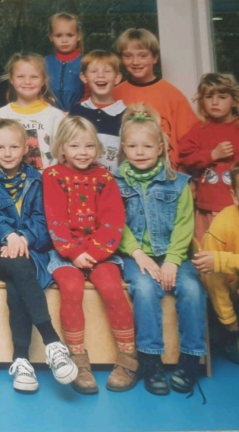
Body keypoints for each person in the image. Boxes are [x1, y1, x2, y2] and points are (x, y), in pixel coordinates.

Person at [0, 119, 77, 393]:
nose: (7, 152)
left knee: (18, 280)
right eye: (0, 147)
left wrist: (24, 237)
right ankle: (52, 342)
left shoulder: (39, 180)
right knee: (16, 264)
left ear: (26, 147)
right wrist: (10, 235)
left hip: (32, 252)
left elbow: (45, 219)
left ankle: (21, 361)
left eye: (14, 146)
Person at [116, 104, 207, 396]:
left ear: (160, 148)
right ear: (123, 148)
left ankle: (191, 359)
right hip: (136, 256)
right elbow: (115, 224)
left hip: (173, 256)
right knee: (143, 289)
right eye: (132, 145)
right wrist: (137, 254)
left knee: (192, 289)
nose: (139, 151)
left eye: (146, 145)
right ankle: (150, 360)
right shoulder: (114, 183)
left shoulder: (178, 183)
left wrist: (172, 261)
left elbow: (184, 226)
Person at [42, 116, 137, 394]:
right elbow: (55, 219)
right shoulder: (52, 176)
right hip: (66, 251)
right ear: (62, 149)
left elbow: (113, 221)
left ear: (97, 148)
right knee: (70, 288)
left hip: (100, 252)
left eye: (88, 146)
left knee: (112, 289)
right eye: (74, 146)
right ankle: (79, 361)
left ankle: (128, 357)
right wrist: (73, 253)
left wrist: (93, 253)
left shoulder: (105, 178)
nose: (82, 152)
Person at [113, 28, 198, 168]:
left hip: (168, 175)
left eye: (142, 56)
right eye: (128, 56)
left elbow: (189, 142)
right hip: (126, 175)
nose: (135, 62)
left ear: (155, 57)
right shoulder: (116, 94)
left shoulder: (172, 95)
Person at [179, 73, 239, 240]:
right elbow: (185, 157)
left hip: (235, 206)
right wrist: (212, 155)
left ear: (234, 101)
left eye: (222, 97)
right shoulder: (199, 129)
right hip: (206, 206)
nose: (214, 102)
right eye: (209, 96)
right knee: (205, 251)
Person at [194, 161, 239, 364]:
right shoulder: (222, 225)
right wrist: (230, 322)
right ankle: (228, 336)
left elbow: (217, 262)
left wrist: (221, 261)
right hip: (228, 298)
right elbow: (213, 279)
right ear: (234, 196)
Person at [0, 53, 65, 170]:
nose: (27, 82)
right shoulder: (0, 115)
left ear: (43, 80)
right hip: (8, 185)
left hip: (47, 183)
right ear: (12, 79)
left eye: (34, 77)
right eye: (20, 76)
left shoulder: (56, 116)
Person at [69, 50, 126, 172]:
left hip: (116, 185)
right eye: (94, 71)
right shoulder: (76, 112)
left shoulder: (126, 115)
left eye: (107, 71)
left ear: (117, 78)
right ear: (83, 77)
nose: (101, 75)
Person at [45, 12, 85, 111]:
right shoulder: (45, 62)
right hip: (50, 113)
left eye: (70, 35)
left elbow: (90, 93)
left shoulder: (85, 62)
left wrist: (75, 110)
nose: (64, 40)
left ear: (78, 36)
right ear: (51, 37)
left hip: (78, 114)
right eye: (58, 36)